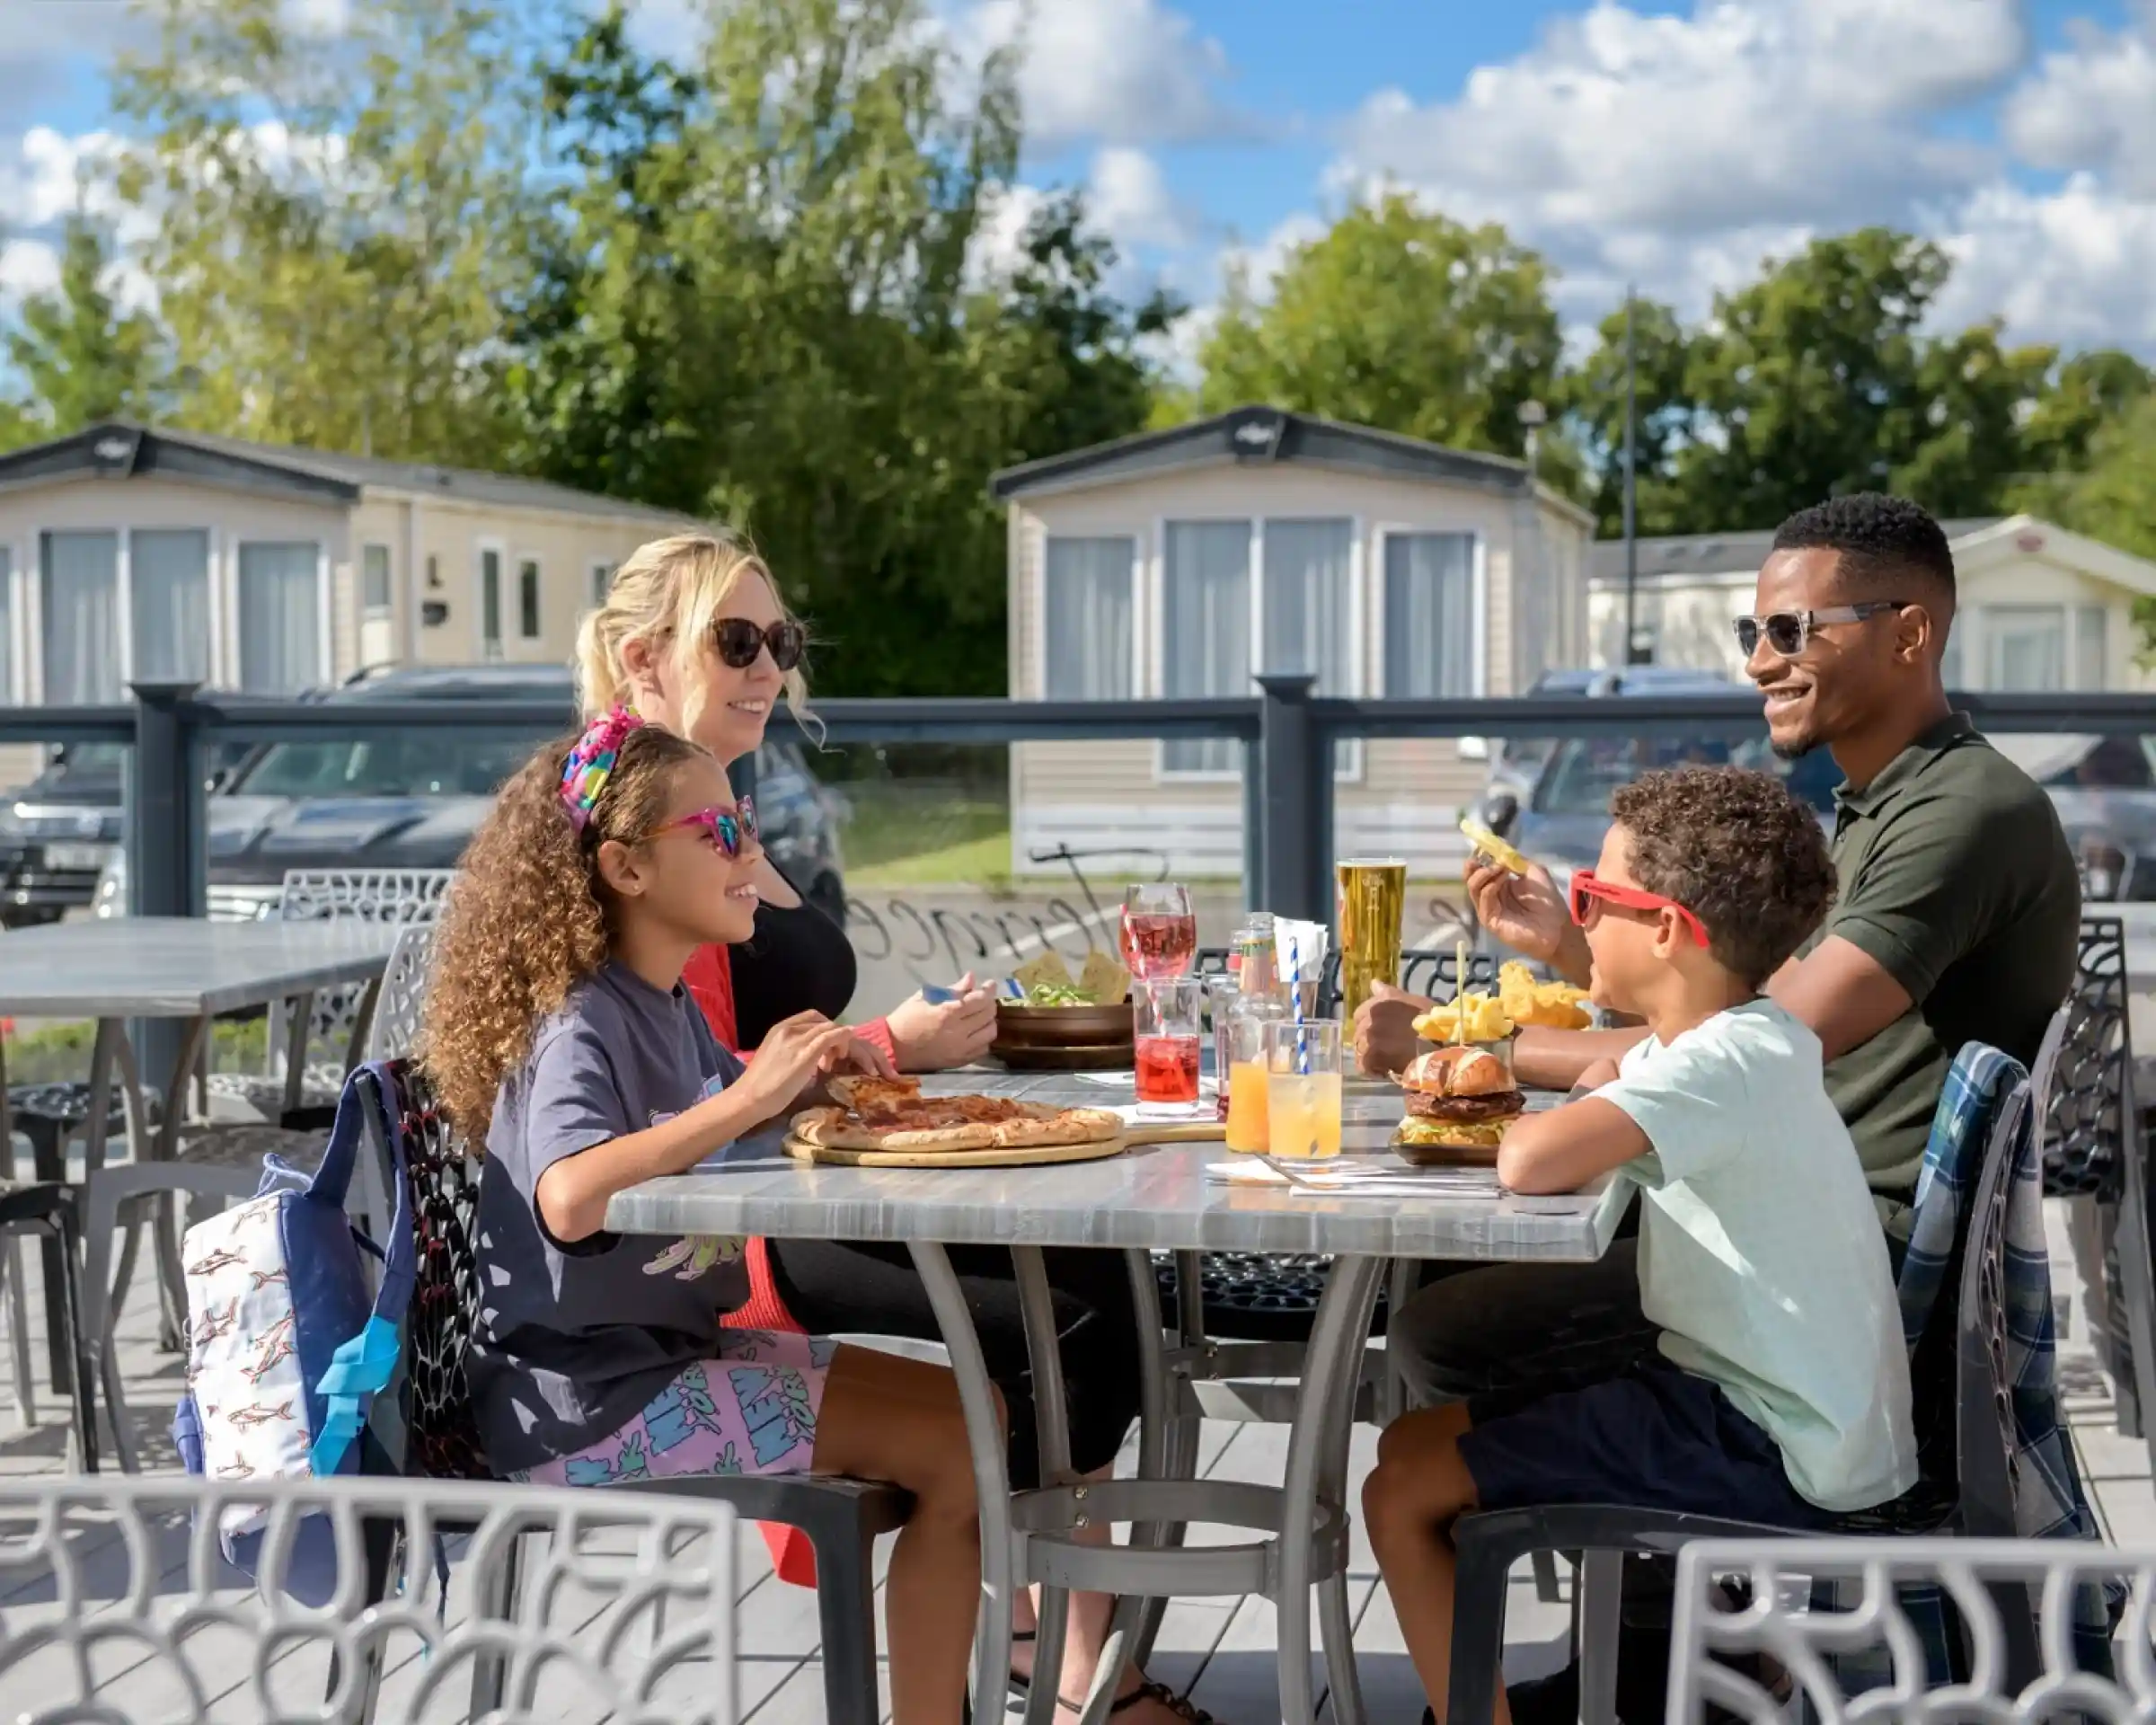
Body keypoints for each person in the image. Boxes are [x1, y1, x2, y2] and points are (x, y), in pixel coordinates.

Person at [576, 532, 1200, 1723]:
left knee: (1105, 1271)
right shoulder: (624, 829)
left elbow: (758, 1035)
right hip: (721, 1226)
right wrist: (891, 1052)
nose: (770, 669)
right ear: (641, 658)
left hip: (792, 1165)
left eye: (783, 643)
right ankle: (1058, 1647)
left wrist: (880, 1054)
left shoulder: (718, 807)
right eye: (738, 641)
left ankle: (1057, 1636)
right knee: (1063, 1309)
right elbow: (666, 1095)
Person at [419, 711, 985, 1724]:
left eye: (749, 824)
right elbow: (569, 1193)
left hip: (655, 1362)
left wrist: (810, 1085)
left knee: (980, 1425)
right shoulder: (580, 1018)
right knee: (964, 1449)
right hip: (587, 1404)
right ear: (628, 870)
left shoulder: (665, 1003)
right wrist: (748, 1098)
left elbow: (729, 1119)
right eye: (721, 834)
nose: (752, 854)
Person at [1362, 765, 1918, 1724]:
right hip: (1776, 1410)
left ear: (1664, 930)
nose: (1581, 917)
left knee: (1401, 1490)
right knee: (1410, 1448)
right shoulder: (1743, 1035)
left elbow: (1533, 1159)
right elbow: (1622, 1058)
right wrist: (1582, 1002)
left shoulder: (1717, 1062)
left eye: (1594, 899)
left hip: (1766, 1440)